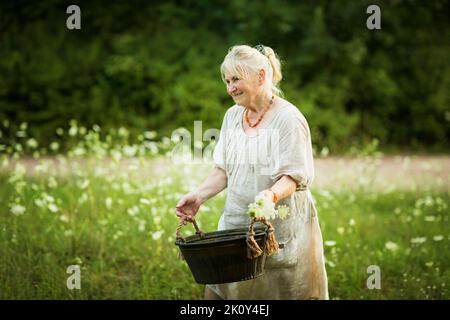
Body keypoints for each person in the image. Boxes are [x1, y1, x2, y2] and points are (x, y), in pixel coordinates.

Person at [175, 44, 329, 300]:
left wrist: (271, 195)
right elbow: (224, 170)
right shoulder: (232, 116)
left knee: (278, 293)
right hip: (236, 224)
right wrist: (198, 196)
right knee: (221, 291)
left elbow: (293, 176)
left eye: (236, 79)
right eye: (226, 81)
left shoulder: (288, 119)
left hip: (277, 228)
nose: (230, 87)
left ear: (261, 76)